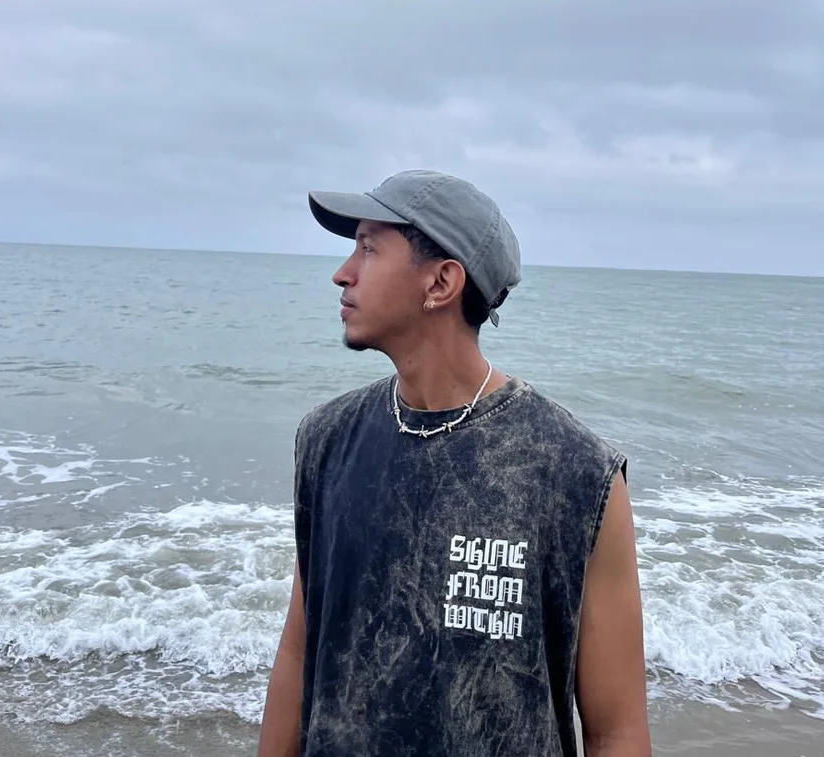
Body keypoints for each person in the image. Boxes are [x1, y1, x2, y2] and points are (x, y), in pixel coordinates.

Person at [258, 170, 650, 757]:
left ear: (441, 282)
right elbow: (299, 649)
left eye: (368, 248)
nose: (343, 272)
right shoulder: (327, 439)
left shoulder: (577, 473)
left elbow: (616, 730)